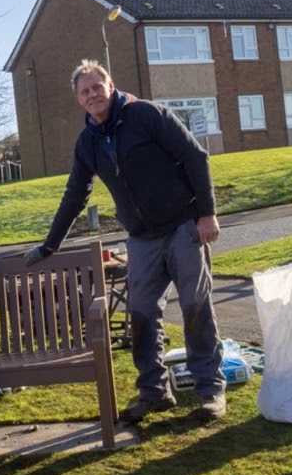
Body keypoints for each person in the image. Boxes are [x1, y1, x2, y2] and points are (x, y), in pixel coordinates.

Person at [26, 59, 227, 424]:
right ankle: (153, 392)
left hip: (183, 225)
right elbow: (75, 195)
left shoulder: (147, 115)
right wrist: (50, 245)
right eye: (84, 92)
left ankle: (209, 390)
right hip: (141, 238)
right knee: (141, 313)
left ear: (110, 85)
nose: (92, 95)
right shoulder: (87, 142)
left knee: (196, 306)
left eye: (96, 87)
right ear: (78, 100)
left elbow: (195, 157)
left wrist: (207, 213)